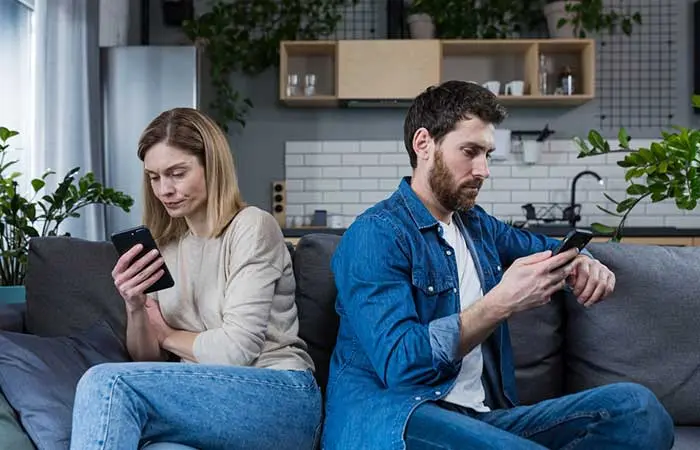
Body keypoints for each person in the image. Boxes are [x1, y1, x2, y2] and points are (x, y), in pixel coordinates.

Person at [322, 80, 674, 450]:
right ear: (423, 144)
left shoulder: (476, 226)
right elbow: (401, 364)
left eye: (487, 154)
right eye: (470, 151)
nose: (483, 170)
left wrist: (583, 260)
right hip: (398, 418)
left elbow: (547, 248)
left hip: (482, 418)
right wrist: (499, 303)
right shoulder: (375, 234)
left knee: (636, 410)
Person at [70, 108, 321, 450]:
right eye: (154, 177)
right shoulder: (167, 244)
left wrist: (169, 335)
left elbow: (236, 351)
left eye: (176, 173)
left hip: (278, 394)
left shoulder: (251, 227)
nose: (164, 189)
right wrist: (136, 308)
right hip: (203, 396)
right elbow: (149, 364)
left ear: (211, 167)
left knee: (106, 382)